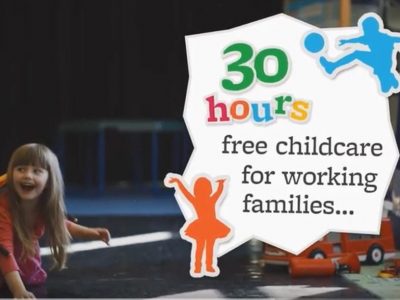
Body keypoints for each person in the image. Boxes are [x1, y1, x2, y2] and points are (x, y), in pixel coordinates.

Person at [0, 144, 111, 298]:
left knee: (30, 273)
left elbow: (60, 223)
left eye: (36, 171)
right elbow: (4, 250)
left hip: (23, 272)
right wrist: (18, 291)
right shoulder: (3, 206)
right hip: (7, 268)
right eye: (21, 169)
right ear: (12, 174)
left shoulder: (43, 204)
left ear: (49, 182)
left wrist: (92, 233)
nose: (27, 175)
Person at [165, 174, 231, 277]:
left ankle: (203, 267)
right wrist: (221, 184)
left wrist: (178, 182)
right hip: (206, 226)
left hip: (208, 226)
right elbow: (218, 193)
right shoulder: (205, 200)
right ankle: (201, 267)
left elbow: (186, 192)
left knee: (204, 247)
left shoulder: (198, 200)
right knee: (205, 246)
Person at [319, 14, 400, 94]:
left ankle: (391, 80)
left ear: (373, 29)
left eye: (366, 30)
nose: (365, 32)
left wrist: (347, 42)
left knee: (357, 54)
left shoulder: (385, 37)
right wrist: (346, 41)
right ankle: (332, 66)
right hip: (376, 61)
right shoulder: (369, 37)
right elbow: (359, 39)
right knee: (357, 54)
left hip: (383, 63)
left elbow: (396, 39)